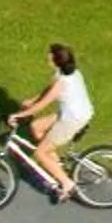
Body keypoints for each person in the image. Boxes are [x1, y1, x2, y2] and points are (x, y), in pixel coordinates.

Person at [10, 43, 93, 201]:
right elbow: (47, 91)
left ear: (57, 61)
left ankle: (67, 185)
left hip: (72, 120)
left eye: (50, 57)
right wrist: (32, 100)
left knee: (40, 153)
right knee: (35, 127)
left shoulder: (63, 82)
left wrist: (18, 115)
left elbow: (41, 106)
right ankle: (56, 167)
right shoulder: (68, 72)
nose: (47, 59)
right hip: (72, 113)